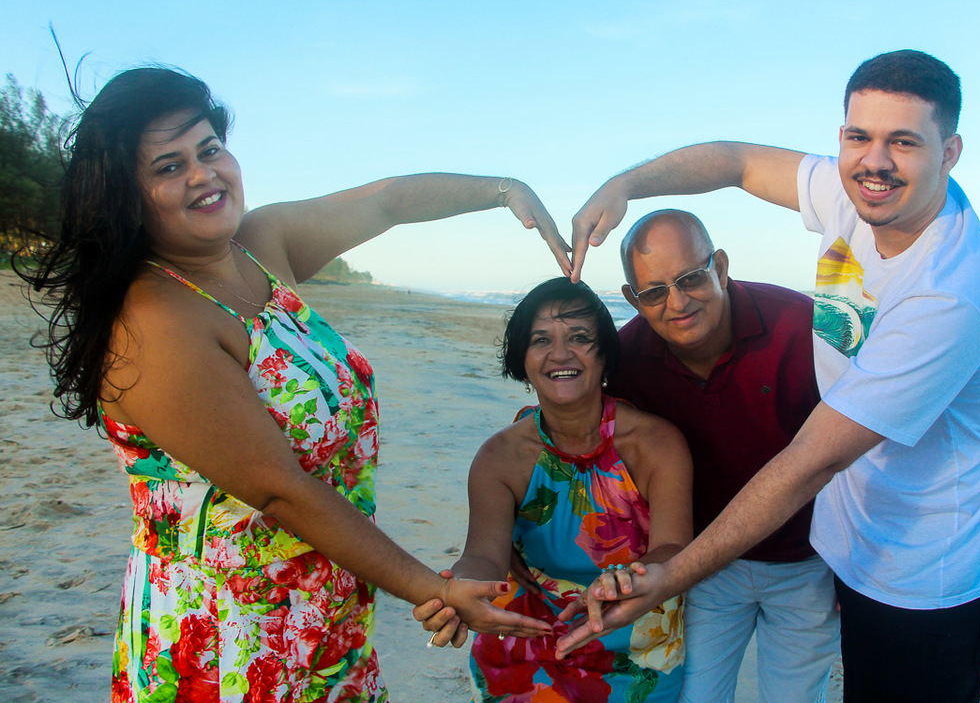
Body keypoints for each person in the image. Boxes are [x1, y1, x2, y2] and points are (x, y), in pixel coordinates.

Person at [19, 66, 570, 701]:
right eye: (168, 167)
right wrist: (432, 587)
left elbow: (387, 201)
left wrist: (505, 190)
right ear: (127, 196)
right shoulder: (154, 322)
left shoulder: (258, 245)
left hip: (323, 602)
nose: (203, 175)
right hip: (229, 631)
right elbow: (280, 491)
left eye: (209, 149)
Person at [558, 49, 980, 703]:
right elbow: (737, 161)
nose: (875, 162)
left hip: (933, 579)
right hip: (858, 552)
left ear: (949, 153)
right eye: (859, 137)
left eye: (904, 142)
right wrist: (626, 185)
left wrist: (667, 579)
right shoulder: (853, 197)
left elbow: (808, 461)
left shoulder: (948, 295)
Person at [608, 209, 837, 702]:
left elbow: (865, 446)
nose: (677, 301)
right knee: (694, 697)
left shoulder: (803, 328)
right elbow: (586, 425)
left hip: (811, 562)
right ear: (633, 299)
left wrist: (856, 568)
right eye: (654, 292)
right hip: (705, 563)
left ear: (721, 267)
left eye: (691, 277)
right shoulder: (626, 357)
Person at [431, 277, 692, 701]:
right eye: (541, 340)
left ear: (605, 354)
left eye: (580, 338)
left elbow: (674, 548)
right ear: (522, 358)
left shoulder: (656, 444)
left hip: (638, 653)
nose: (560, 354)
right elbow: (482, 555)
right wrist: (459, 589)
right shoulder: (500, 456)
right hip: (526, 648)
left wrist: (624, 581)